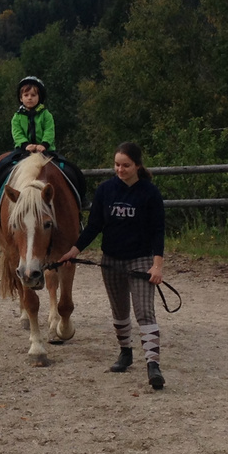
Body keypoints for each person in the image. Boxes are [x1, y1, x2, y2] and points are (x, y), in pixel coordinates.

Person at [60, 141, 167, 390]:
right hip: (111, 260)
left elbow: (158, 230)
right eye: (117, 165)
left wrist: (157, 265)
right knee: (119, 311)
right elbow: (94, 226)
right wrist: (74, 250)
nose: (120, 169)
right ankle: (125, 352)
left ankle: (153, 364)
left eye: (125, 165)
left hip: (140, 260)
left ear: (137, 166)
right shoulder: (105, 190)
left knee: (144, 311)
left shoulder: (150, 193)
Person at [0, 76, 73, 228]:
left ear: (39, 97)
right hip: (23, 151)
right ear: (21, 98)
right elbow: (17, 133)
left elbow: (49, 130)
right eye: (26, 95)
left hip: (45, 151)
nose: (29, 98)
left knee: (69, 168)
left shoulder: (46, 115)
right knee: (1, 167)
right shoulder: (17, 117)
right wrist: (25, 145)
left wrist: (44, 144)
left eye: (33, 95)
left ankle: (79, 197)